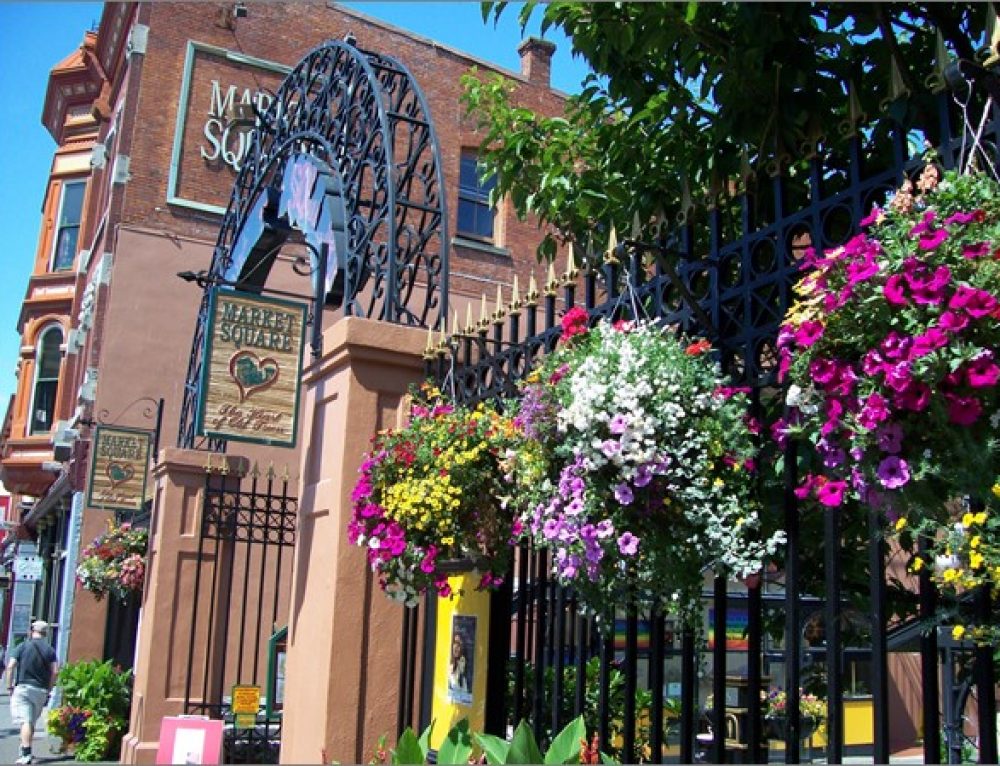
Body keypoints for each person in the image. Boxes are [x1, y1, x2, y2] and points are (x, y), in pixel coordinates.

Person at [5, 621, 58, 765]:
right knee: (31, 721)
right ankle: (24, 747)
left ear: (32, 631)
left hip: (23, 688)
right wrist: (49, 688)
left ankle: (26, 754)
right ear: (45, 633)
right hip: (40, 690)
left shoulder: (22, 647)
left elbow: (10, 667)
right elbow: (55, 671)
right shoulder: (50, 650)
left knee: (25, 721)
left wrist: (9, 687)